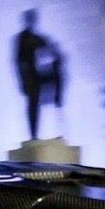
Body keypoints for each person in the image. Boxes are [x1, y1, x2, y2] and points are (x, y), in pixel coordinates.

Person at [12, 8, 65, 141]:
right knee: (33, 100)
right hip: (29, 76)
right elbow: (17, 61)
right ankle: (33, 135)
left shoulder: (38, 38)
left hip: (38, 74)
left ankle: (59, 124)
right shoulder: (22, 38)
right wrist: (22, 81)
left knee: (58, 79)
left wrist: (57, 60)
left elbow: (53, 50)